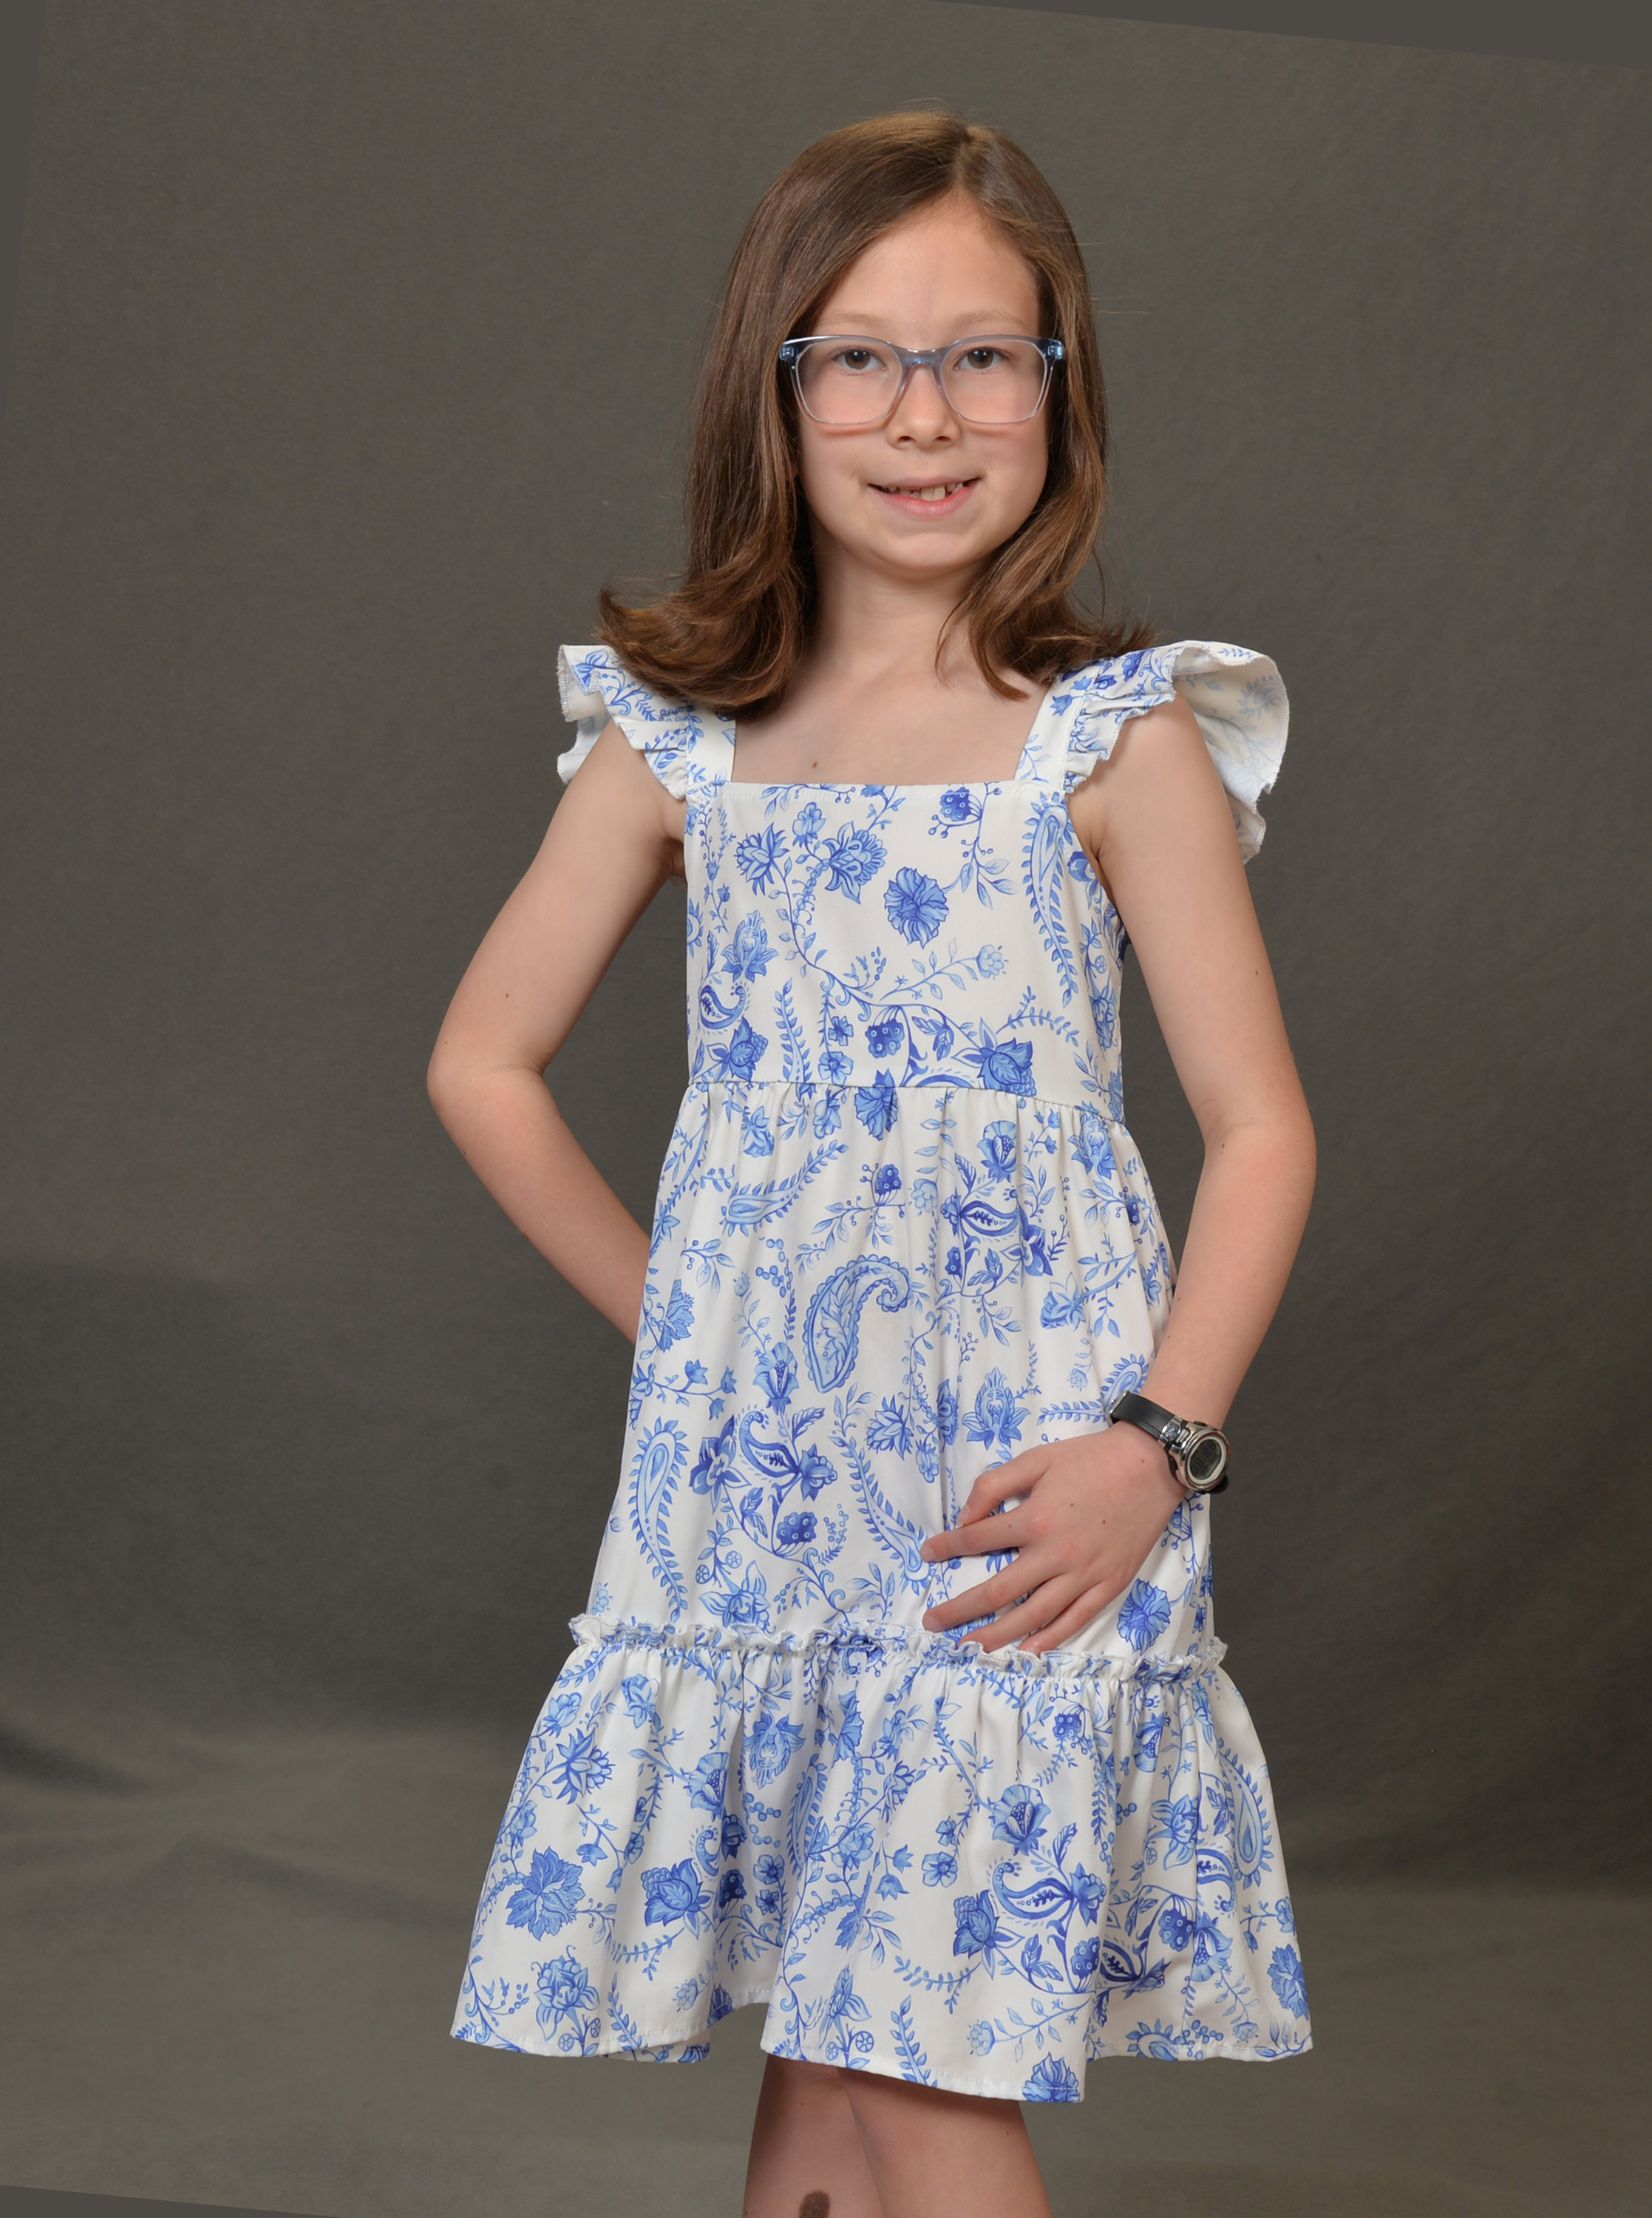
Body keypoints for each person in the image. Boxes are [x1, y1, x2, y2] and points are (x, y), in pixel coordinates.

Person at [428, 106, 1316, 2218]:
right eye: (864, 358)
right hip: (764, 1505)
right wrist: (692, 1335)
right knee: (828, 2076)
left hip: (1025, 1495)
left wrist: (1158, 1447)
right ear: (779, 388)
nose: (927, 415)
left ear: (1057, 388)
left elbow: (1263, 1130)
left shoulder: (1114, 736)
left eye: (984, 356)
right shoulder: (678, 741)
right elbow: (483, 1062)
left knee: (922, 2066)